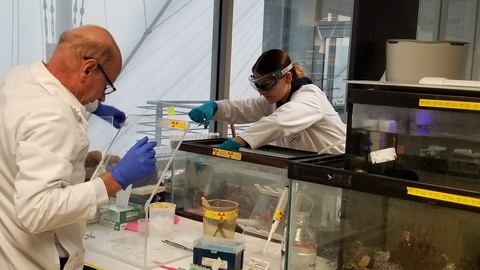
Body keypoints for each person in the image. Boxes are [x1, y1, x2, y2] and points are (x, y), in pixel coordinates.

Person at [0, 25, 157, 270]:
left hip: (10, 247)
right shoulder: (54, 117)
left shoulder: (18, 77)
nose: (103, 97)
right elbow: (36, 211)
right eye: (106, 87)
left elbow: (50, 93)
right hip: (40, 260)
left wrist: (94, 107)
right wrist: (114, 180)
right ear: (88, 68)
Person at [188, 49, 346, 153]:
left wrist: (238, 141)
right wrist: (214, 107)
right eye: (258, 86)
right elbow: (241, 108)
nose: (262, 92)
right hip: (308, 173)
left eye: (267, 85)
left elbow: (280, 121)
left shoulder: (310, 96)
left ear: (288, 77)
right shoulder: (273, 101)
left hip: (336, 171)